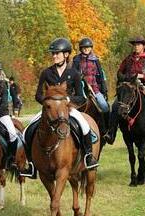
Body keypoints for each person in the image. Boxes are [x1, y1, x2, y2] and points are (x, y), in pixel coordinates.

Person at [21, 38, 98, 177]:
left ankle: (88, 157)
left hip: (69, 109)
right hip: (49, 109)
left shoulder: (74, 73)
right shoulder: (46, 73)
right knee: (27, 130)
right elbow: (38, 95)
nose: (54, 56)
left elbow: (81, 97)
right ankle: (30, 164)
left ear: (66, 54)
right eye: (53, 53)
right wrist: (48, 103)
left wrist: (68, 100)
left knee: (85, 127)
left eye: (57, 53)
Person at [72, 37, 110, 134]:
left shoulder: (95, 59)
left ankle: (107, 129)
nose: (86, 49)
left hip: (94, 88)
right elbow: (73, 74)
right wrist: (78, 76)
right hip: (80, 89)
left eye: (88, 47)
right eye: (84, 48)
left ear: (91, 48)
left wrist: (104, 90)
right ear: (81, 48)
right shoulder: (76, 60)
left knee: (105, 106)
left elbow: (100, 75)